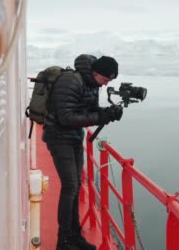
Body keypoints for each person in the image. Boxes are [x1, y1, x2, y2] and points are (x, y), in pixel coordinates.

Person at [43, 54, 123, 250]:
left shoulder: (92, 84)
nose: (105, 85)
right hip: (58, 136)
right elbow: (66, 118)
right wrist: (99, 116)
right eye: (105, 79)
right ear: (96, 72)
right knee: (70, 185)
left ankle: (74, 236)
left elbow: (90, 111)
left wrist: (108, 113)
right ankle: (63, 242)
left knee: (76, 185)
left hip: (74, 137)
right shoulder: (70, 81)